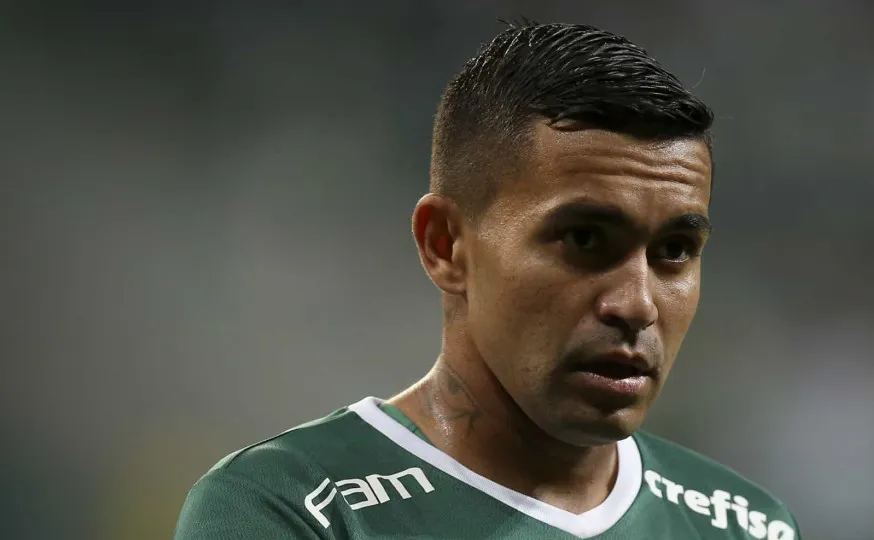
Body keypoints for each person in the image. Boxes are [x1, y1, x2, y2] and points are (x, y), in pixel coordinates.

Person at [175, 20, 801, 540]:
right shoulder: (287, 511)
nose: (636, 304)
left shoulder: (749, 526)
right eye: (585, 239)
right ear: (446, 246)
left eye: (675, 251)